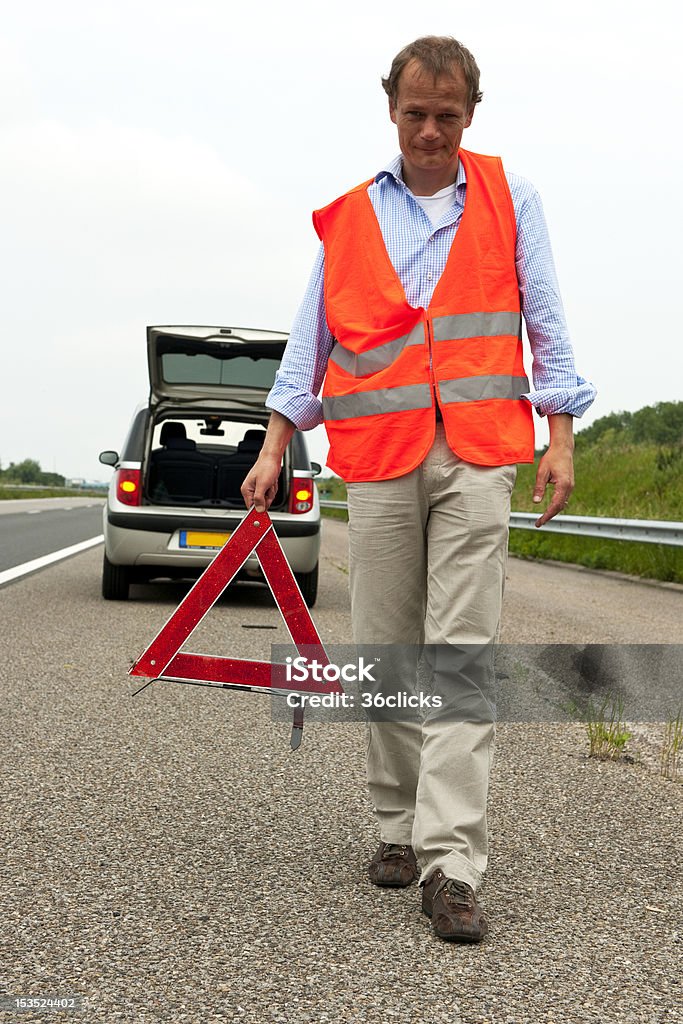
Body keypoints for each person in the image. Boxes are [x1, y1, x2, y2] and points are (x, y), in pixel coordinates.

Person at [241, 35, 596, 943]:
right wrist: (276, 444)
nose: (430, 131)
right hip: (381, 453)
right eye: (414, 114)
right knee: (388, 647)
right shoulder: (353, 214)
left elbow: (546, 319)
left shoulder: (512, 197)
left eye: (446, 114)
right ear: (389, 110)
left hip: (478, 451)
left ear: (471, 110)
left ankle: (450, 862)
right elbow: (306, 341)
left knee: (459, 654)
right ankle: (394, 829)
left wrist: (559, 437)